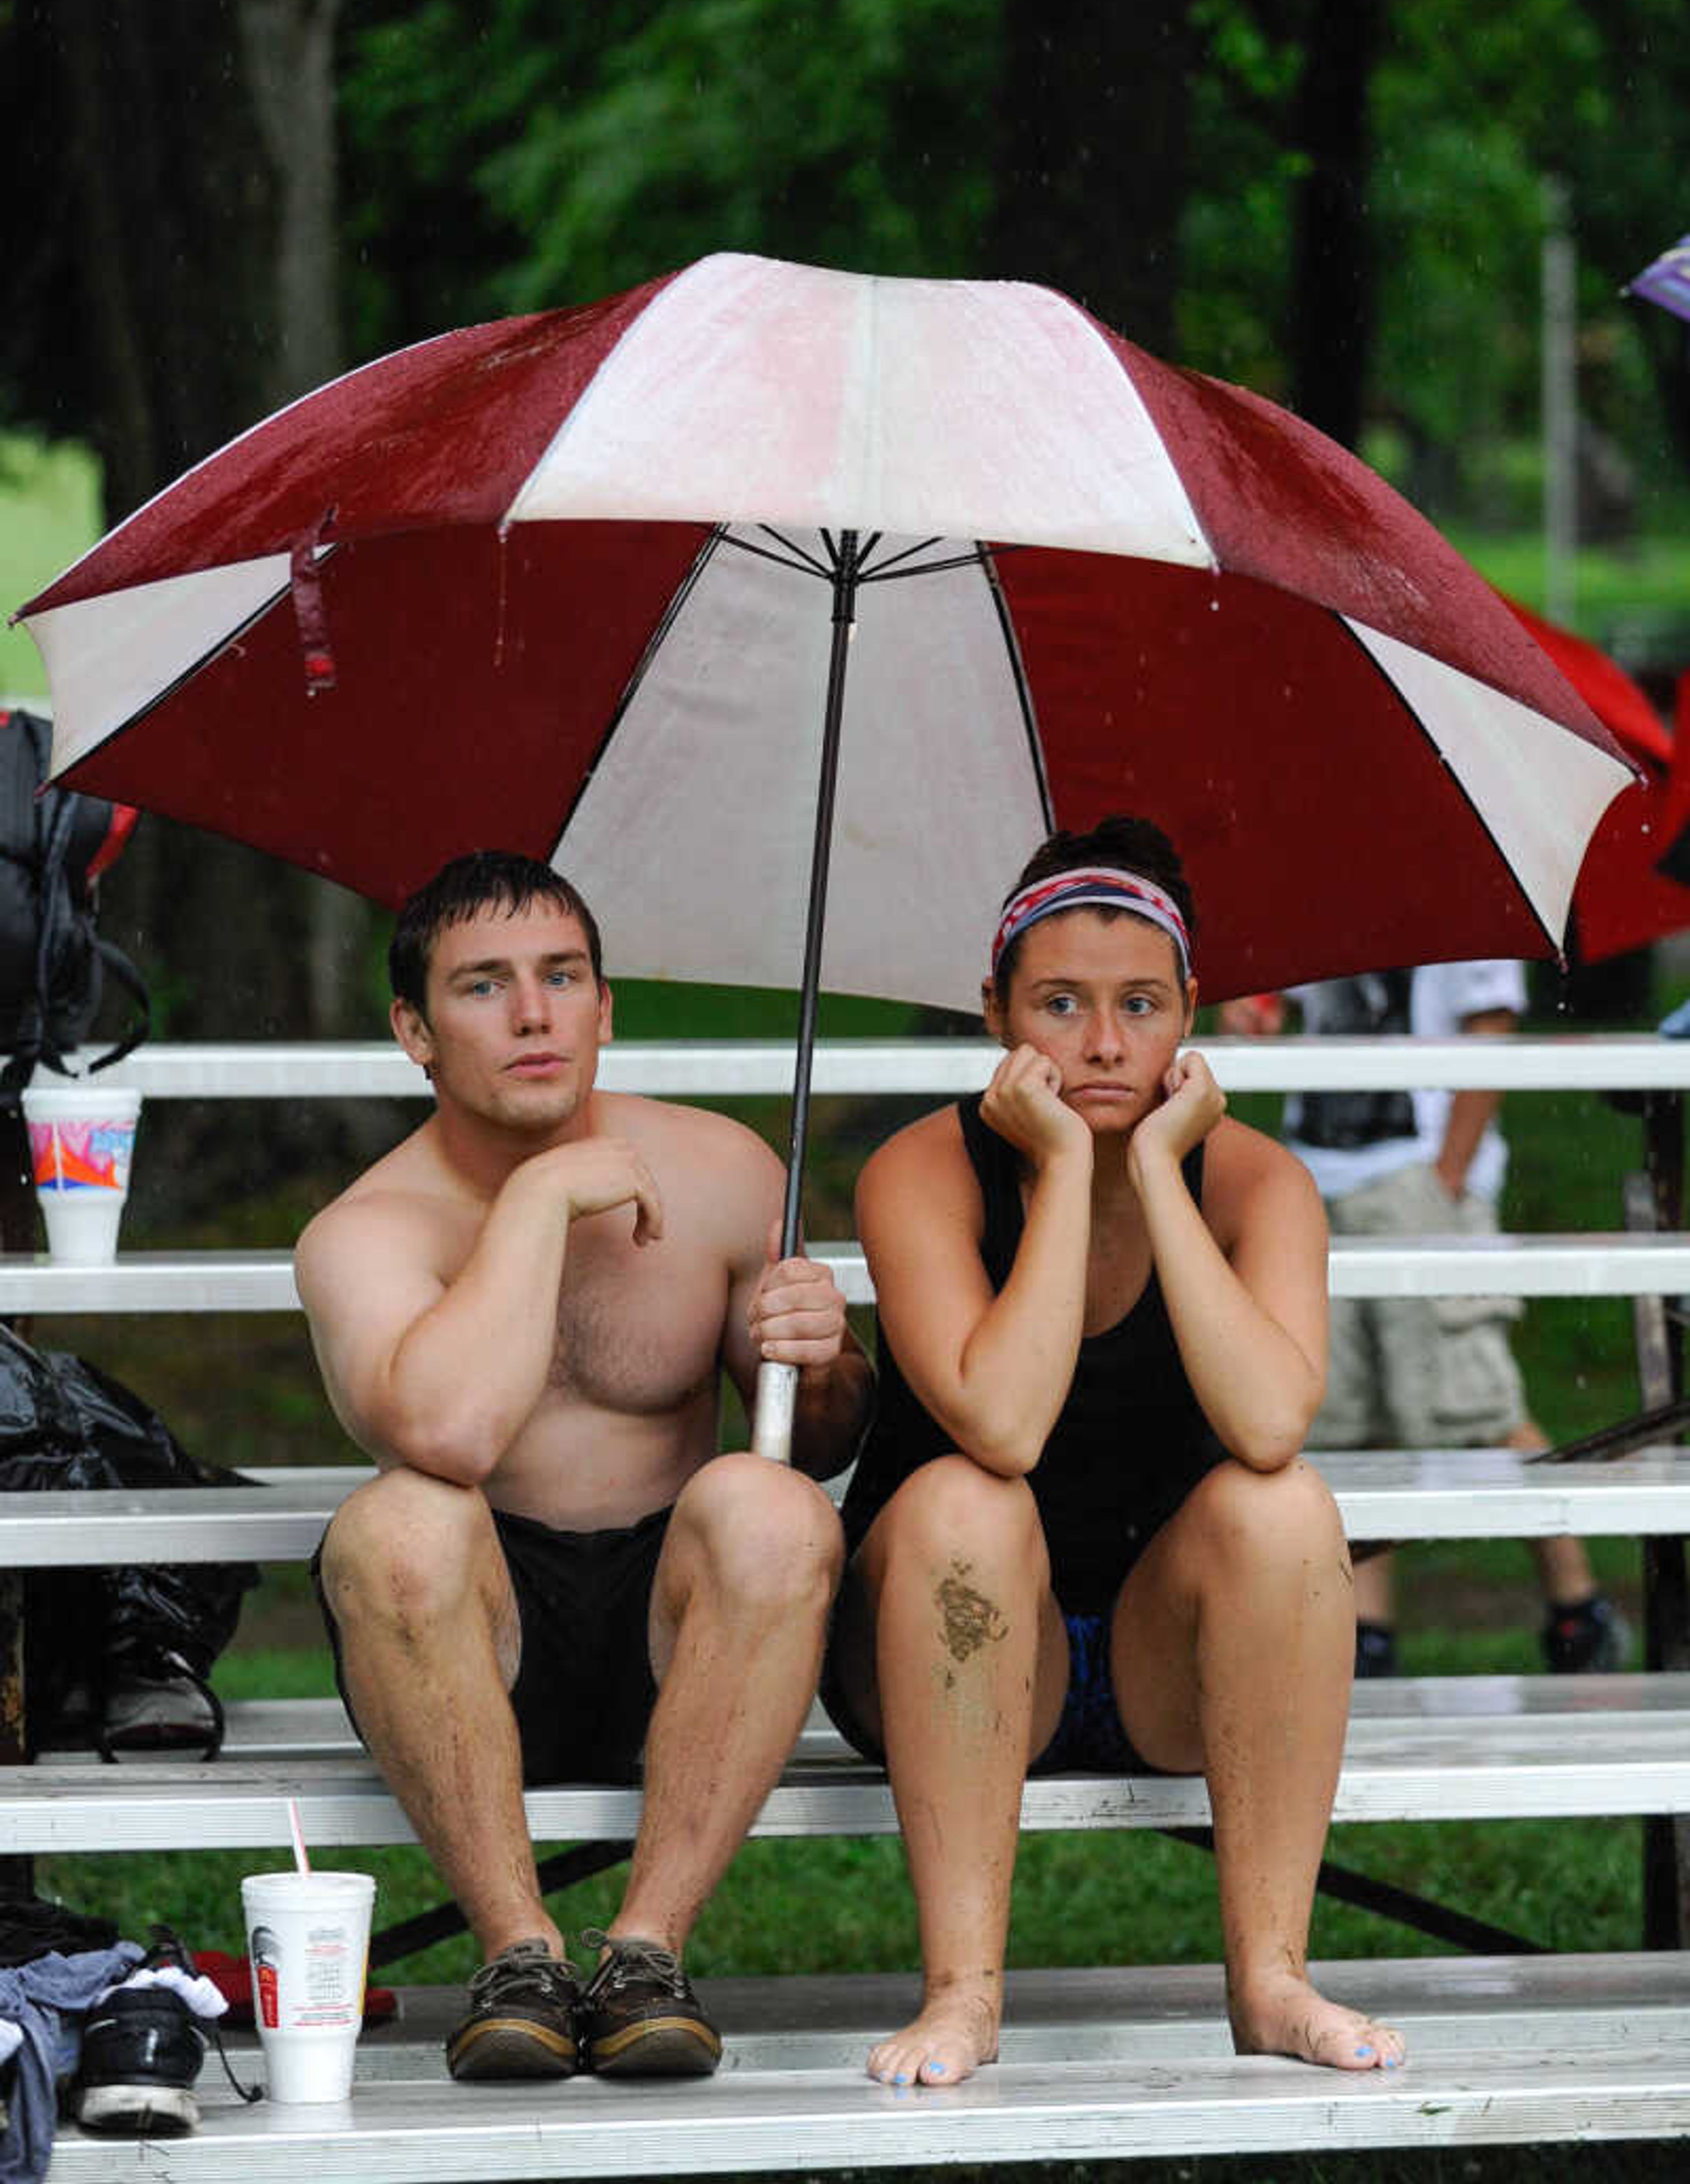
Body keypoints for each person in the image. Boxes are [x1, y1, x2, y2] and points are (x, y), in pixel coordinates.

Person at [822, 816, 1403, 2090]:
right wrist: (1062, 1178)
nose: (1099, 1044)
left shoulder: (1256, 1183)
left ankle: (1270, 1978)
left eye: (1140, 1006)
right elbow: (1005, 1425)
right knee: (968, 1501)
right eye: (1061, 1006)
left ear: (1192, 1011)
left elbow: (1266, 1423)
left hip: (1166, 1661)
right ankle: (964, 1994)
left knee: (1287, 1507)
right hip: (946, 1651)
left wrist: (1152, 1166)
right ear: (994, 1013)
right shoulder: (922, 1171)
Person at [296, 851, 871, 2085]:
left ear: (607, 1007)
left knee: (768, 1508)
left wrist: (820, 1360)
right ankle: (519, 1956)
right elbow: (447, 1435)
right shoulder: (364, 1231)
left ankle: (648, 1955)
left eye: (563, 977)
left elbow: (822, 1444)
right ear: (414, 1030)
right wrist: (543, 1198)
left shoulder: (723, 1173)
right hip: (472, 1650)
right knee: (398, 1521)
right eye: (485, 987)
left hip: (683, 1645)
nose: (535, 1013)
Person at [1220, 967, 1628, 1677]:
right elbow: (1292, 1007)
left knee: (1477, 1405)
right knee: (1345, 1419)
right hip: (1312, 1174)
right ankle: (1367, 1629)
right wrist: (1257, 1015)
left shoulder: (1458, 881)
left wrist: (1448, 1176)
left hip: (1419, 1177)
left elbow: (1492, 1024)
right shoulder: (1313, 888)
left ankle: (1577, 1605)